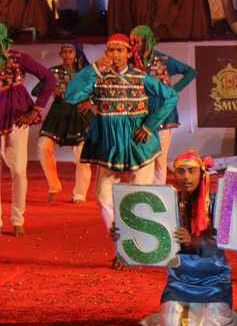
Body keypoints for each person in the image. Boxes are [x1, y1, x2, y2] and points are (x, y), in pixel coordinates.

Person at [64, 34, 179, 268]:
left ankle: (136, 251)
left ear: (128, 54)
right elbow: (71, 95)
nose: (114, 55)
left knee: (139, 198)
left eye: (119, 50)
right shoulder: (98, 77)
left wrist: (150, 125)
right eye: (110, 50)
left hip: (139, 144)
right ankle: (123, 245)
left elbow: (171, 96)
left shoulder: (140, 77)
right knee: (103, 198)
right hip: (110, 145)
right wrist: (93, 69)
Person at [110, 151, 237, 326]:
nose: (186, 176)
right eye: (181, 171)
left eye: (192, 171)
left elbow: (226, 241)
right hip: (179, 278)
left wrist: (193, 240)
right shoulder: (166, 204)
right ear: (175, 176)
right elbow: (150, 236)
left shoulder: (217, 202)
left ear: (201, 173)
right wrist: (125, 235)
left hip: (213, 278)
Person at [0, 22, 55, 236]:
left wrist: (36, 109)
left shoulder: (18, 58)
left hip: (16, 119)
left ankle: (17, 219)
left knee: (18, 171)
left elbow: (49, 78)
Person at [130, 25, 198, 185]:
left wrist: (173, 91)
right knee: (141, 155)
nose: (133, 46)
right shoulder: (131, 63)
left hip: (162, 113)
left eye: (136, 41)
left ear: (146, 41)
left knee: (160, 158)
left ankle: (158, 191)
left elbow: (191, 72)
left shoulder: (163, 60)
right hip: (140, 113)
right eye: (131, 42)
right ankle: (142, 189)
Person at [37, 41, 94, 204]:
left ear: (76, 54)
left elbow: (100, 89)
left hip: (79, 114)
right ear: (60, 54)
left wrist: (91, 102)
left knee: (82, 155)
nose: (68, 55)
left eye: (71, 51)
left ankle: (79, 194)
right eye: (65, 51)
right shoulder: (53, 72)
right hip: (58, 113)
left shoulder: (84, 72)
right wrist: (50, 88)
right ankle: (54, 185)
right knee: (43, 146)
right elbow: (37, 90)